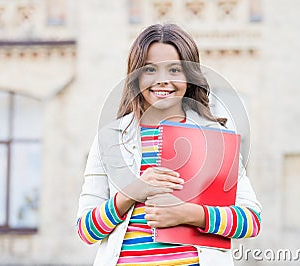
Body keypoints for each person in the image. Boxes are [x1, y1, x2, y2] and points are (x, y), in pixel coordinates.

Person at [76, 23, 262, 266]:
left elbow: (251, 220)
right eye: (150, 70)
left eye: (175, 70)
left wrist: (190, 214)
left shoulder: (213, 137)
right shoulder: (109, 139)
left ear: (189, 76)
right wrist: (132, 191)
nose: (163, 81)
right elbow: (86, 230)